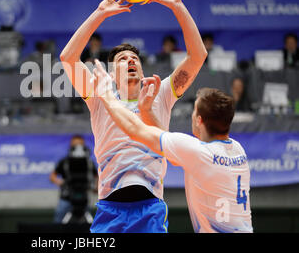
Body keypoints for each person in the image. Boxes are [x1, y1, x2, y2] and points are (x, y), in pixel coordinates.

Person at [60, 0, 208, 233]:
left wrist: (178, 7)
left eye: (134, 58)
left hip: (149, 206)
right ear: (112, 71)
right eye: (121, 59)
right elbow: (68, 58)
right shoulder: (99, 93)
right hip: (109, 208)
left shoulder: (160, 93)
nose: (129, 60)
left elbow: (197, 57)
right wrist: (99, 13)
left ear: (140, 69)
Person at [92, 59, 253, 233]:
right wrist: (147, 111)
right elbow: (168, 146)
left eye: (194, 111)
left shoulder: (197, 152)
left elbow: (134, 129)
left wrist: (106, 94)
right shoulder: (237, 150)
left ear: (199, 120)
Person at [50, 135, 98, 223]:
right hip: (66, 198)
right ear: (71, 146)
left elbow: (97, 176)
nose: (78, 148)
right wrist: (60, 182)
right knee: (59, 219)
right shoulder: (64, 162)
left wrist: (96, 187)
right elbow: (52, 176)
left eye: (80, 144)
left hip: (84, 198)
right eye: (75, 145)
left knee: (90, 221)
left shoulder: (89, 163)